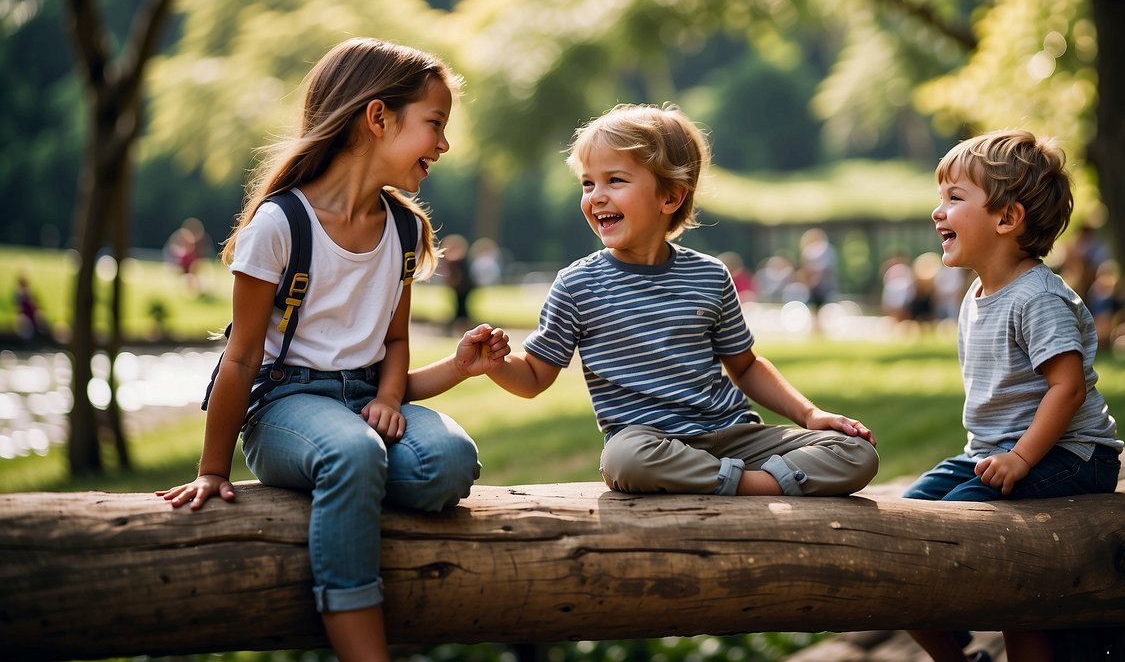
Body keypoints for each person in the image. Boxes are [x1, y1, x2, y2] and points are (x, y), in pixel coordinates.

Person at [157, 38, 509, 662]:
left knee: (450, 460)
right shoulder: (279, 226)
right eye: (435, 125)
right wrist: (212, 470)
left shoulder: (405, 230)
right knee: (352, 451)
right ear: (378, 118)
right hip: (283, 408)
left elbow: (393, 343)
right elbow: (240, 358)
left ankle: (346, 480)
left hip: (364, 404)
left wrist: (408, 388)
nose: (444, 145)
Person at [482, 103, 879, 497]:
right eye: (588, 184)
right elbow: (534, 377)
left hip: (734, 436)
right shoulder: (576, 285)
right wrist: (496, 363)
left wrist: (811, 414)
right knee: (623, 460)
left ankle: (740, 482)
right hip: (649, 443)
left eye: (615, 180)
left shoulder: (710, 275)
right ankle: (760, 485)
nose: (596, 197)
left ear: (670, 197)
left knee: (856, 452)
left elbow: (746, 367)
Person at [904, 130, 1122, 662]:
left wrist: (1021, 458)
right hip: (992, 453)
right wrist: (1002, 456)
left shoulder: (1038, 296)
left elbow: (1066, 388)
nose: (938, 212)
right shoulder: (977, 293)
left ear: (1007, 219)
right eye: (941, 197)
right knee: (904, 527)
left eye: (955, 199)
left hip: (1071, 455)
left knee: (990, 556)